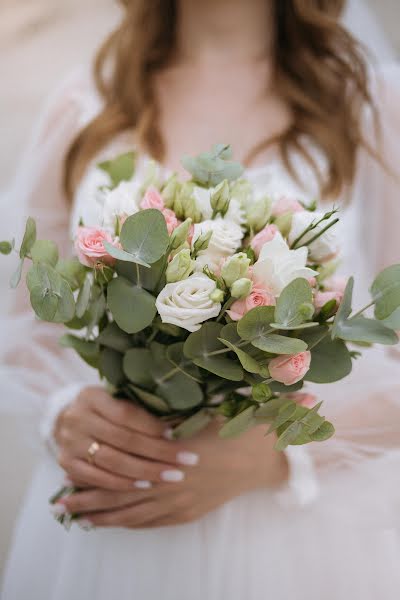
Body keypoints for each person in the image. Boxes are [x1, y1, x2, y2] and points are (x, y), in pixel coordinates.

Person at [1, 1, 400, 598]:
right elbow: (22, 312)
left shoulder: (369, 105)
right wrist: (63, 410)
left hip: (300, 538)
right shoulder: (87, 101)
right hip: (114, 526)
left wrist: (274, 454)